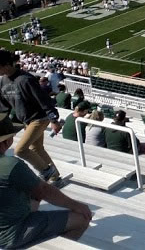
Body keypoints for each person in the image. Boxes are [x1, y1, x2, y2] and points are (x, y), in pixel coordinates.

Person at [0, 113, 92, 247]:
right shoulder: (11, 165)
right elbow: (44, 191)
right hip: (10, 235)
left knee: (33, 194)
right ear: (6, 141)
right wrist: (78, 206)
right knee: (81, 219)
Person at [0, 49, 63, 185]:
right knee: (37, 148)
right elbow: (3, 105)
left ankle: (46, 171)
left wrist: (54, 120)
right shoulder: (3, 81)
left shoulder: (26, 79)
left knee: (20, 150)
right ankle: (55, 178)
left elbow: (44, 100)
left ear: (5, 65)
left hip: (39, 118)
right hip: (27, 121)